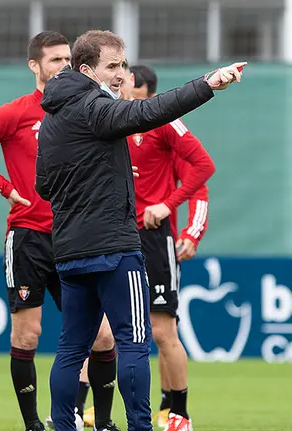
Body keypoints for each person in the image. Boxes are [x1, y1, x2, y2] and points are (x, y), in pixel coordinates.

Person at [34, 29, 244, 431]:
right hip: (115, 248)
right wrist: (208, 83)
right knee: (134, 343)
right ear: (85, 70)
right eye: (111, 66)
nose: (120, 74)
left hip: (70, 251)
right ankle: (141, 426)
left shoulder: (53, 117)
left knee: (70, 349)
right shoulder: (94, 106)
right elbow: (146, 112)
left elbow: (43, 185)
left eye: (123, 65)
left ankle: (63, 425)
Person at [0, 30, 116, 431]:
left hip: (77, 236)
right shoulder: (16, 112)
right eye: (54, 60)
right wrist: (5, 188)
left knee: (103, 337)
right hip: (28, 239)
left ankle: (97, 420)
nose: (62, 67)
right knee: (27, 336)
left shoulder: (87, 110)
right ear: (34, 66)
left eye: (68, 61)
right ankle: (33, 425)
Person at [122, 63, 216, 431]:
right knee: (104, 328)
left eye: (125, 75)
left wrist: (190, 231)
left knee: (162, 330)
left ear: (144, 88)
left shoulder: (162, 124)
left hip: (155, 238)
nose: (118, 80)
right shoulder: (106, 118)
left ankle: (177, 411)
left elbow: (200, 179)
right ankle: (86, 408)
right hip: (111, 234)